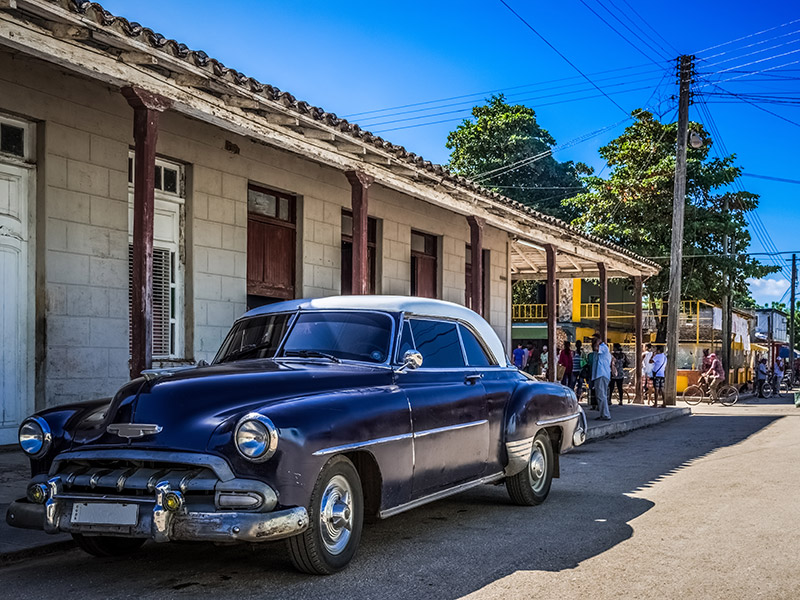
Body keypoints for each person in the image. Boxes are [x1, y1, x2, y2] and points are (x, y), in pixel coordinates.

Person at [591, 334, 612, 420]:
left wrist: (597, 343)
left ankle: (606, 414)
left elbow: (596, 348)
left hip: (602, 374)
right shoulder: (598, 351)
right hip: (598, 374)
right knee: (599, 395)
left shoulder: (603, 347)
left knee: (601, 395)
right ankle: (603, 413)